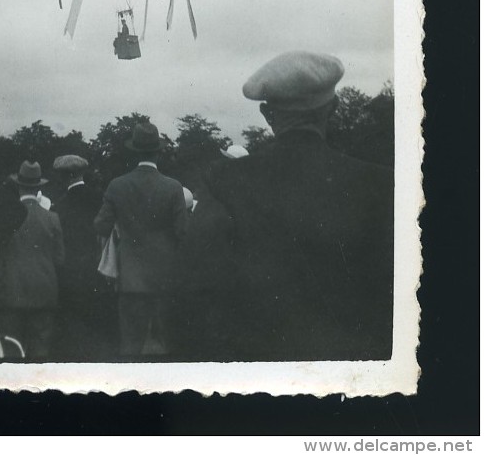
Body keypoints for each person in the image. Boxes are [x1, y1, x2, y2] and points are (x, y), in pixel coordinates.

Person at [202, 50, 394, 362]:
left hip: (257, 363)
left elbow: (202, 277)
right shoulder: (381, 183)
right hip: (352, 366)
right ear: (334, 107)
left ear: (267, 113)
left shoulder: (226, 181)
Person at [94, 122, 188, 359]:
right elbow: (183, 232)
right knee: (168, 346)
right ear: (158, 152)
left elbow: (100, 225)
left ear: (135, 152)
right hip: (166, 280)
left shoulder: (117, 185)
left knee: (130, 347)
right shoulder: (174, 187)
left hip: (130, 279)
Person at [0, 160, 65, 361]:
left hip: (11, 294)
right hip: (44, 293)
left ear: (18, 186)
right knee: (41, 352)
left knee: (11, 352)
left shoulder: (4, 216)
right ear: (39, 187)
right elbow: (59, 258)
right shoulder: (52, 218)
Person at [52, 155, 112, 359]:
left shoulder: (59, 205)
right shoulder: (99, 198)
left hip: (68, 272)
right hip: (96, 268)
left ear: (62, 176)